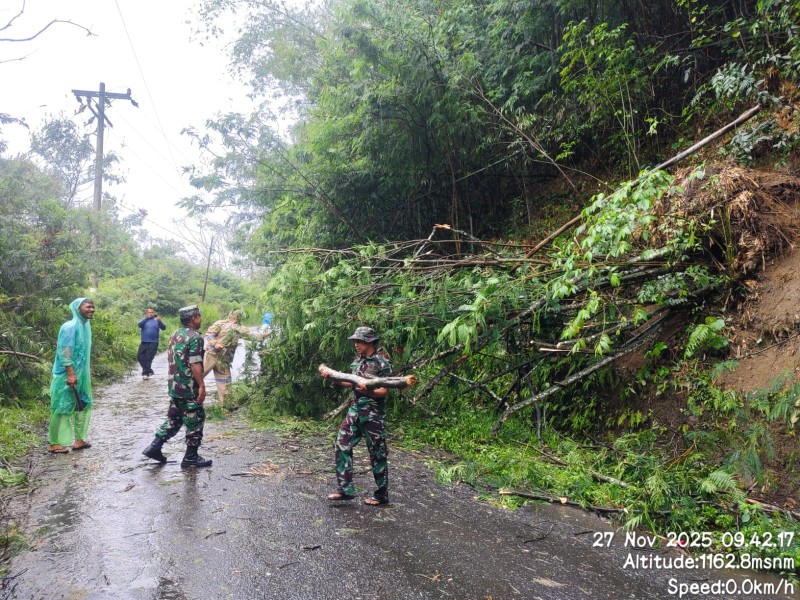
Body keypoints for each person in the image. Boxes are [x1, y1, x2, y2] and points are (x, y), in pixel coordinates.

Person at [322, 326, 391, 506]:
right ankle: (345, 489)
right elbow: (351, 382)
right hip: (355, 411)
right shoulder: (357, 361)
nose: (356, 345)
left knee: (377, 453)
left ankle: (381, 494)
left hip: (373, 414)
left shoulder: (381, 363)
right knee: (342, 443)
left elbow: (384, 391)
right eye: (355, 342)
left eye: (358, 341)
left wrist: (369, 389)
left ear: (369, 342)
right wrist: (333, 379)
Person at [142, 305, 212, 468]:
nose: (200, 319)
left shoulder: (175, 334)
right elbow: (195, 363)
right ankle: (191, 457)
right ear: (193, 318)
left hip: (174, 385)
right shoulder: (195, 337)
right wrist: (201, 385)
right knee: (195, 418)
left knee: (175, 417)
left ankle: (155, 446)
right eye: (199, 317)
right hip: (188, 387)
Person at [48, 298, 95, 453]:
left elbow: (83, 352)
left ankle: (79, 440)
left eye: (93, 307)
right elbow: (65, 351)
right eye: (88, 306)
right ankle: (55, 443)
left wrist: (86, 372)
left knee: (83, 404)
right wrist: (70, 373)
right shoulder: (70, 327)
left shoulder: (86, 326)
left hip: (81, 375)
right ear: (77, 308)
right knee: (62, 406)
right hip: (67, 375)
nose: (92, 309)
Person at [202, 310, 263, 405]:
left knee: (225, 382)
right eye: (233, 315)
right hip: (211, 355)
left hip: (224, 360)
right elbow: (209, 335)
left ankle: (226, 405)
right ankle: (185, 397)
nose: (234, 317)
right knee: (198, 376)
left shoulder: (241, 329)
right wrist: (215, 343)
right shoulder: (220, 324)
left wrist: (263, 335)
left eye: (237, 316)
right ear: (230, 315)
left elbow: (252, 336)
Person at [137, 307, 166, 379]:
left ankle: (145, 374)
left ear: (154, 313)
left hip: (154, 342)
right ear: (147, 313)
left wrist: (159, 321)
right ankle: (149, 370)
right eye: (149, 312)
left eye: (152, 312)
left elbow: (164, 328)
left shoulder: (156, 320)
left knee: (148, 358)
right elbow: (139, 325)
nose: (151, 313)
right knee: (139, 357)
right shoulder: (144, 320)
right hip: (144, 342)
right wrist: (147, 318)